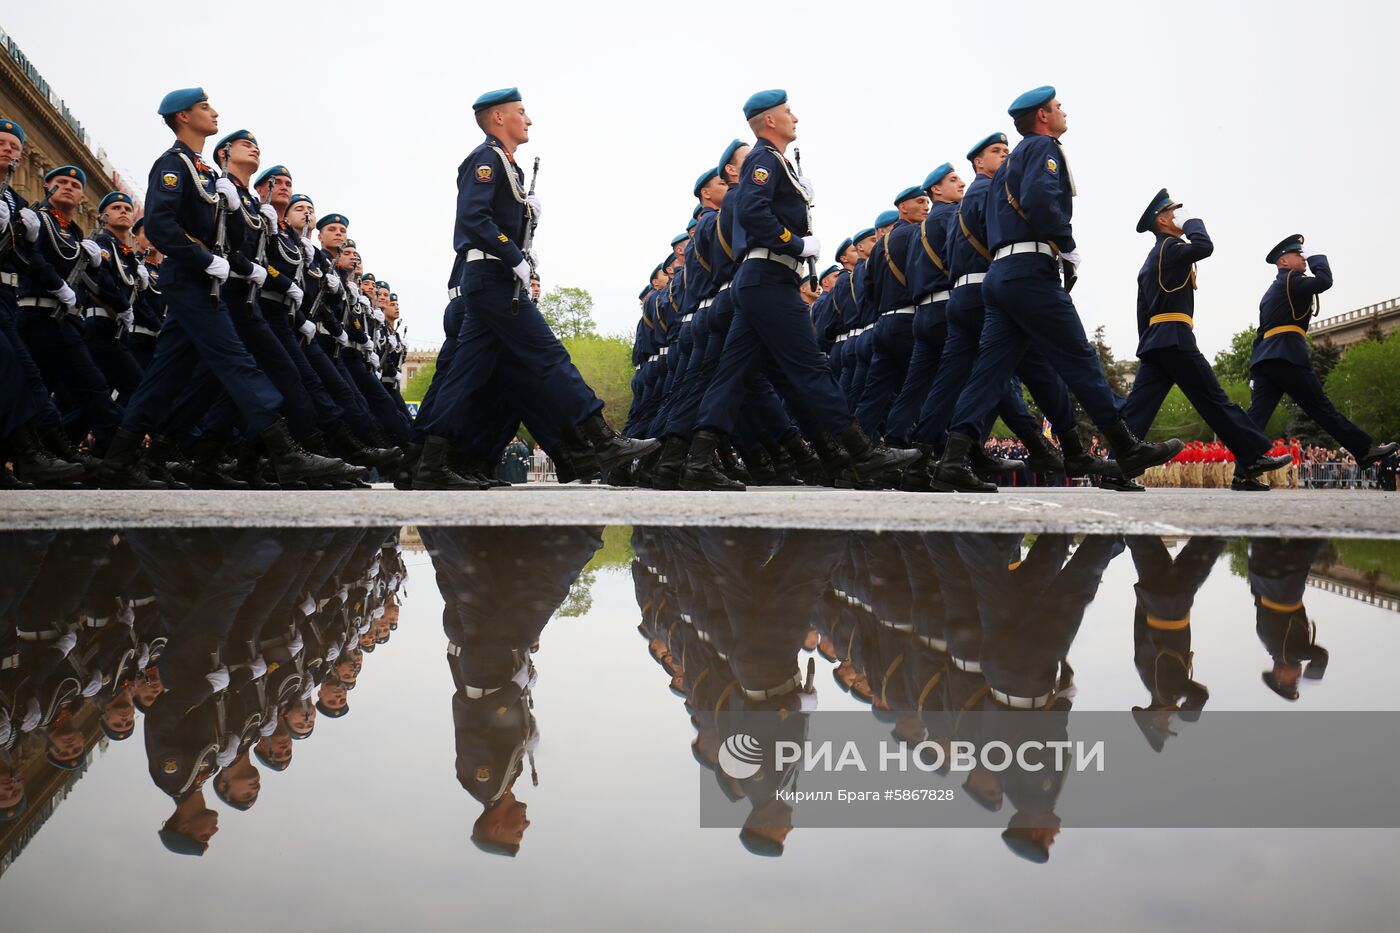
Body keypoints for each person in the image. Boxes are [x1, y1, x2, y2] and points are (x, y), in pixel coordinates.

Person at [95, 88, 349, 489]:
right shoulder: (173, 164)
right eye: (204, 107)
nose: (214, 112)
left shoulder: (205, 174)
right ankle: (285, 452)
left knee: (165, 377)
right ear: (182, 117)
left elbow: (222, 236)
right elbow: (161, 224)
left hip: (203, 280)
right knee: (236, 361)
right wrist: (204, 259)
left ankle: (121, 461)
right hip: (190, 279)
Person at [933, 86, 1182, 492]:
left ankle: (954, 459)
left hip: (1001, 275)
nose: (1063, 110)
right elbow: (1041, 201)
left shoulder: (1006, 168)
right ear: (1043, 117)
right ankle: (1125, 444)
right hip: (1030, 271)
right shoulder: (1041, 148)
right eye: (1058, 106)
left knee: (990, 372)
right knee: (1078, 357)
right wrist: (1065, 246)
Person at [412, 87, 656, 490]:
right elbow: (474, 219)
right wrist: (515, 258)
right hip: (492, 279)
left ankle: (429, 460)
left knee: (464, 375)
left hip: (492, 279)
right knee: (549, 357)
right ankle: (601, 438)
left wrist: (524, 222)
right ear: (498, 119)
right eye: (521, 112)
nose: (529, 120)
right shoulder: (486, 160)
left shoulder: (509, 167)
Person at [681, 90, 918, 490]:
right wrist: (795, 242)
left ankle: (699, 460)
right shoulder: (764, 159)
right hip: (770, 277)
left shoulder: (775, 163)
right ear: (769, 120)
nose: (795, 117)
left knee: (733, 374)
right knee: (810, 367)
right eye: (788, 111)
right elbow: (754, 211)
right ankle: (861, 452)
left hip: (762, 280)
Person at [1112, 191, 1293, 492]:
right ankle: (1253, 457)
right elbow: (1205, 246)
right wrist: (1193, 221)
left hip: (1157, 340)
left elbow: (1142, 310)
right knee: (1215, 401)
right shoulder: (1171, 248)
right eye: (1174, 212)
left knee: (1138, 409)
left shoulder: (1151, 258)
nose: (1179, 216)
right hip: (1176, 338)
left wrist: (1149, 343)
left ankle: (1113, 468)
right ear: (1162, 219)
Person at [1245, 234, 1396, 469]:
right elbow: (1325, 280)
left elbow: (1260, 333)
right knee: (1321, 408)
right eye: (1298, 254)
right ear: (1283, 261)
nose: (1303, 258)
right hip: (1288, 356)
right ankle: (1364, 450)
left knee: (1257, 417)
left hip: (1266, 360)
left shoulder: (1272, 291)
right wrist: (1316, 255)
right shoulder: (1292, 281)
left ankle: (1243, 471)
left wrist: (1254, 373)